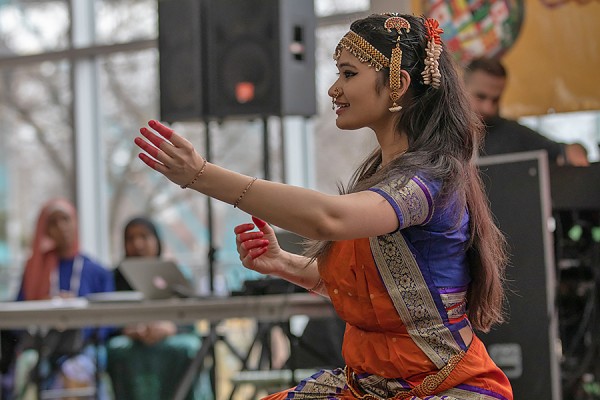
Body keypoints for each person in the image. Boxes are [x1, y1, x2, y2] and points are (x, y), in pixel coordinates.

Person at [134, 13, 513, 399]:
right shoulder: (382, 177)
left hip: (445, 388)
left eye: (348, 74)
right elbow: (375, 293)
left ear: (397, 84)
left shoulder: (429, 181)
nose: (334, 89)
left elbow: (327, 219)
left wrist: (202, 174)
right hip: (370, 387)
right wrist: (284, 264)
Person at [12, 197, 114, 398]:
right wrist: (46, 306)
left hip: (84, 347)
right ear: (46, 230)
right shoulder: (35, 270)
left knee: (78, 368)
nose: (62, 227)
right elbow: (17, 319)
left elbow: (109, 323)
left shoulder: (97, 272)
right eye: (54, 222)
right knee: (30, 365)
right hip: (43, 346)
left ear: (75, 222)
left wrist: (79, 321)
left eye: (66, 219)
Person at [106, 216, 212, 400]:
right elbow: (105, 319)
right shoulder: (114, 278)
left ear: (157, 241)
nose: (137, 244)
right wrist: (129, 330)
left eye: (143, 237)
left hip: (170, 335)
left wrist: (171, 328)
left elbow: (190, 316)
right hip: (131, 340)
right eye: (130, 238)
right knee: (117, 350)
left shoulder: (174, 275)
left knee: (188, 348)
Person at [463, 56, 589, 166]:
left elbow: (562, 151)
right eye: (480, 97)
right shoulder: (445, 132)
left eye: (496, 100)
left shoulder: (512, 133)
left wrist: (574, 151)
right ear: (461, 89)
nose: (488, 108)